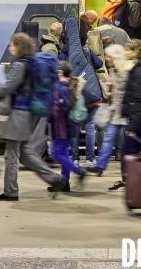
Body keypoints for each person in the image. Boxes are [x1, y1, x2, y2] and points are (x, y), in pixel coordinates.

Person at [0, 33, 67, 201]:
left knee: (11, 155)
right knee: (24, 153)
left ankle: (10, 192)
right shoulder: (31, 62)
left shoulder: (20, 66)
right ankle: (56, 179)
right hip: (30, 111)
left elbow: (5, 90)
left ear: (19, 47)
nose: (10, 48)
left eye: (12, 45)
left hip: (20, 113)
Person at [107, 40, 141, 192]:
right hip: (136, 119)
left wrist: (133, 126)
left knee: (131, 152)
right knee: (130, 152)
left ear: (136, 52)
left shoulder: (139, 72)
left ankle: (136, 184)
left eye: (129, 50)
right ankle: (132, 183)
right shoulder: (137, 70)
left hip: (138, 121)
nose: (126, 52)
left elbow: (138, 101)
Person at [87, 44, 132, 176]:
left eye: (108, 55)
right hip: (116, 112)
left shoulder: (128, 71)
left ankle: (126, 173)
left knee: (125, 144)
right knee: (109, 139)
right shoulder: (114, 70)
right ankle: (100, 166)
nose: (106, 58)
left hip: (126, 113)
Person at [58, 39, 103, 167]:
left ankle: (75, 159)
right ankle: (90, 159)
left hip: (73, 96)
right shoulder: (86, 51)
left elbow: (58, 68)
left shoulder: (64, 53)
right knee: (90, 127)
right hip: (89, 93)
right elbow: (99, 63)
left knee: (74, 128)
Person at [48, 61, 87, 192]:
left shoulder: (62, 88)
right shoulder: (67, 85)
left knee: (56, 154)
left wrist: (51, 114)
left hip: (62, 126)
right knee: (64, 153)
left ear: (60, 72)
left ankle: (79, 172)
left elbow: (63, 107)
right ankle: (64, 183)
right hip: (66, 126)